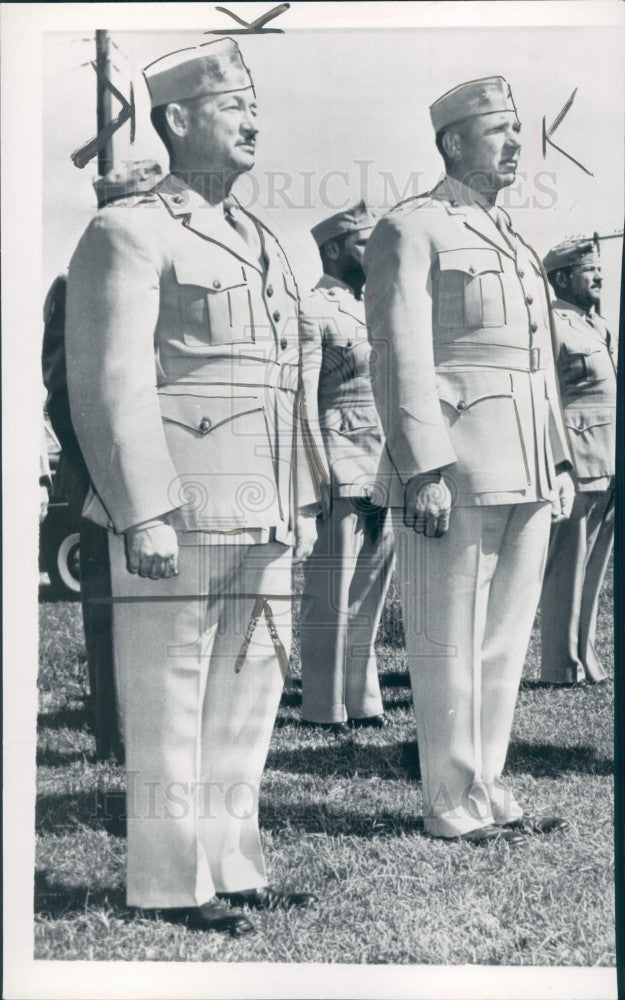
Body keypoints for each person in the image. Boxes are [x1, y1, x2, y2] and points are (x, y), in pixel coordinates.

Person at [65, 37, 328, 936]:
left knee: (251, 684)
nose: (253, 119)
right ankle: (170, 879)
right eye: (232, 106)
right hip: (179, 503)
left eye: (255, 104)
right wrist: (143, 508)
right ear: (177, 120)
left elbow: (285, 377)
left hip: (263, 498)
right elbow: (109, 381)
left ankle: (231, 861)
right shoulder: (128, 229)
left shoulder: (258, 235)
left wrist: (302, 494)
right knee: (170, 690)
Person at [364, 76, 575, 845]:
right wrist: (422, 468)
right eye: (498, 130)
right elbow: (400, 355)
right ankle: (446, 799)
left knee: (502, 639)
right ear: (452, 141)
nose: (516, 143)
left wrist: (555, 457)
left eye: (518, 130)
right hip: (457, 467)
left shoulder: (512, 239)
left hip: (524, 462)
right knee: (446, 639)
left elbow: (535, 366)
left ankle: (485, 782)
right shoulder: (411, 228)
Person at [42, 159, 163, 764]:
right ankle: (115, 734)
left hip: (155, 469)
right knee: (109, 609)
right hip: (99, 473)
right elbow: (64, 388)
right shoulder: (76, 283)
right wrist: (103, 464)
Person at [299, 202, 394, 732]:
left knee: (369, 592)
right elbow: (304, 402)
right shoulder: (311, 310)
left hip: (382, 464)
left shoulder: (375, 307)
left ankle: (363, 700)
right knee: (329, 596)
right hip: (339, 462)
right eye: (363, 243)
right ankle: (322, 707)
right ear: (334, 249)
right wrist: (319, 477)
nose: (374, 253)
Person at [539, 237, 617, 684]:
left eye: (600, 269)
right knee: (566, 566)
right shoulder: (552, 326)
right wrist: (557, 461)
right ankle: (559, 664)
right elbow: (545, 399)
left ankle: (584, 650)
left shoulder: (597, 327)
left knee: (594, 566)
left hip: (608, 459)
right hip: (578, 459)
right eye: (590, 270)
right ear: (563, 278)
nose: (600, 277)